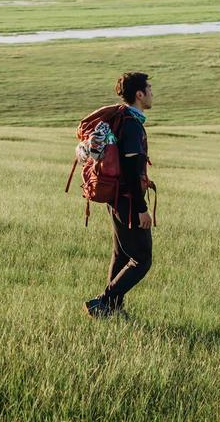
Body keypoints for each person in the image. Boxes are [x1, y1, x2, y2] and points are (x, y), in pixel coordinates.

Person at [84, 72, 154, 319]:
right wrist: (141, 209)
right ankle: (103, 302)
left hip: (115, 197)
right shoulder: (132, 125)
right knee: (142, 259)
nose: (152, 93)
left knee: (122, 254)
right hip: (128, 200)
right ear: (139, 94)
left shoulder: (121, 119)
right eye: (149, 89)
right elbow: (133, 172)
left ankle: (113, 308)